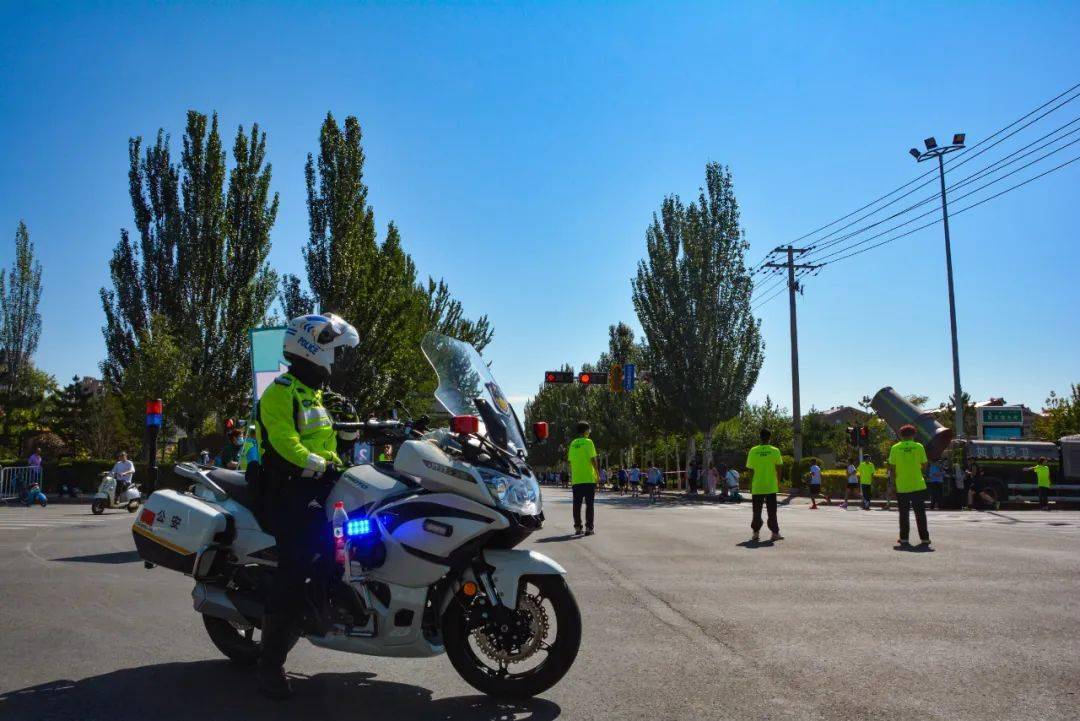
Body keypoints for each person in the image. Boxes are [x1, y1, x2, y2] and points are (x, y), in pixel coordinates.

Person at [254, 312, 359, 700]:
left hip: (320, 487)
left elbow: (325, 438)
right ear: (312, 349)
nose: (335, 360)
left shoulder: (314, 395)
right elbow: (285, 442)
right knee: (299, 565)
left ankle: (335, 606)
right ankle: (270, 664)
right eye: (333, 351)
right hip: (288, 490)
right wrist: (319, 463)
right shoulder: (280, 391)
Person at [887, 424, 930, 548]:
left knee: (904, 514)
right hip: (918, 484)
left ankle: (904, 538)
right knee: (920, 513)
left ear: (900, 435)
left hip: (902, 485)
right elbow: (924, 464)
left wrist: (893, 484)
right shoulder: (919, 447)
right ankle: (925, 539)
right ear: (913, 434)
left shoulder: (895, 448)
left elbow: (892, 468)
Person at [746, 428, 784, 542]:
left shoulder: (753, 450)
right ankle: (775, 533)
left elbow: (750, 470)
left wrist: (750, 484)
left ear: (760, 437)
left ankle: (756, 533)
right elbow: (779, 468)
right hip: (771, 486)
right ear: (769, 437)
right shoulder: (775, 450)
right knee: (772, 512)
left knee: (756, 511)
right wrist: (779, 482)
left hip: (757, 486)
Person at [567, 421, 600, 535]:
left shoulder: (573, 443)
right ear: (586, 430)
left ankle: (577, 527)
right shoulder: (589, 442)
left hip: (576, 479)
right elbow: (593, 460)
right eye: (589, 430)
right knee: (589, 505)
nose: (589, 432)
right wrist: (597, 473)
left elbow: (570, 462)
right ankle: (589, 528)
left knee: (577, 505)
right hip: (589, 479)